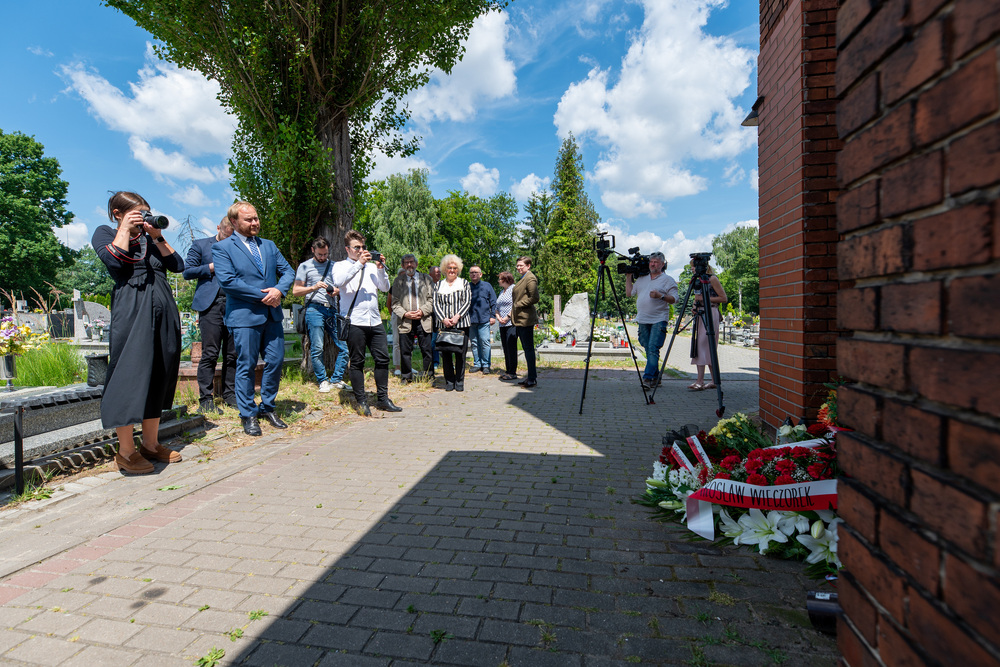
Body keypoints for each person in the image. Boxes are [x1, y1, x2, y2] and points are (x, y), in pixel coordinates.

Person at [93, 191, 185, 474]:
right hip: (132, 308)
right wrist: (124, 229)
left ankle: (151, 444)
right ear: (118, 213)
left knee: (160, 370)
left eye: (147, 212)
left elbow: (178, 265)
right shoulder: (106, 232)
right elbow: (114, 263)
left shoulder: (150, 239)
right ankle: (125, 451)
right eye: (138, 213)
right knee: (129, 373)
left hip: (163, 306)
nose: (144, 217)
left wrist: (157, 236)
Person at [212, 201, 295, 436]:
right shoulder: (222, 248)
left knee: (275, 361)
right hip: (244, 316)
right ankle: (248, 413)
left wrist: (278, 290)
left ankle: (267, 406)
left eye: (256, 218)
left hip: (272, 315)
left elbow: (288, 271)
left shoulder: (268, 246)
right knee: (246, 365)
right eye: (248, 219)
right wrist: (265, 295)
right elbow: (228, 282)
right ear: (234, 222)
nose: (255, 222)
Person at [332, 230, 402, 415]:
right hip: (355, 321)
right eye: (357, 247)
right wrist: (359, 264)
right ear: (347, 249)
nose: (361, 251)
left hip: (375, 320)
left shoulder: (371, 267)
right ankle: (361, 401)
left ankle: (383, 399)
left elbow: (385, 287)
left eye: (363, 247)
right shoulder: (340, 266)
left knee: (383, 359)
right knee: (357, 361)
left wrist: (380, 269)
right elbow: (339, 281)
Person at [184, 216, 238, 414]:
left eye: (232, 237)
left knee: (232, 354)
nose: (228, 240)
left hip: (234, 304)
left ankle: (230, 395)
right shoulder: (201, 245)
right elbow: (187, 271)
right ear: (218, 228)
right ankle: (206, 400)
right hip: (210, 305)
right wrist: (211, 267)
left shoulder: (238, 247)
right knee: (210, 353)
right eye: (225, 235)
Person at [292, 237, 350, 393]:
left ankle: (336, 379)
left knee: (344, 347)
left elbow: (343, 288)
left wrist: (337, 291)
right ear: (313, 250)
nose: (323, 257)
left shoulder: (334, 266)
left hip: (332, 309)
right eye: (320, 254)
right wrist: (314, 287)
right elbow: (296, 291)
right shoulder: (305, 266)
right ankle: (322, 380)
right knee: (317, 347)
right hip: (314, 309)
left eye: (325, 254)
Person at [625, 251, 679, 388]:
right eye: (651, 262)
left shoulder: (668, 280)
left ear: (662, 264)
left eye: (656, 262)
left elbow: (675, 299)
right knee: (647, 346)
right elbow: (629, 293)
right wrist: (628, 277)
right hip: (643, 319)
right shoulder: (642, 278)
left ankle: (647, 379)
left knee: (653, 348)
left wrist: (661, 296)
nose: (653, 264)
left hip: (659, 319)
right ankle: (656, 377)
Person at [390, 254, 434, 382]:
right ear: (403, 265)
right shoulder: (398, 281)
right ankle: (406, 377)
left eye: (411, 262)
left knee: (427, 350)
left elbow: (432, 299)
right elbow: (395, 303)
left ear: (416, 264)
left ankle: (429, 376)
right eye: (406, 262)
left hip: (423, 319)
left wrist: (422, 311)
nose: (409, 265)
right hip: (406, 320)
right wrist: (405, 314)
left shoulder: (426, 279)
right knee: (405, 351)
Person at [433, 255, 471, 392]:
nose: (452, 270)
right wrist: (443, 318)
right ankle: (449, 381)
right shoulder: (438, 285)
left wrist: (457, 317)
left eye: (455, 268)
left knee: (460, 354)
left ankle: (459, 382)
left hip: (461, 324)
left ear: (458, 269)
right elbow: (435, 304)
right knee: (446, 354)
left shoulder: (464, 283)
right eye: (449, 268)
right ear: (445, 269)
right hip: (444, 325)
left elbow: (467, 301)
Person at [689, 261, 728, 390]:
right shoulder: (697, 281)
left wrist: (703, 299)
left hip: (710, 312)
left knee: (704, 344)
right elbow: (697, 297)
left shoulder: (712, 279)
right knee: (702, 346)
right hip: (701, 312)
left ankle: (700, 381)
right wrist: (695, 306)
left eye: (694, 266)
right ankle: (713, 380)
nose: (692, 269)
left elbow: (723, 298)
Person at [511, 256, 540, 388]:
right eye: (517, 265)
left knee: (528, 349)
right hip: (520, 318)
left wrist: (518, 304)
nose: (518, 268)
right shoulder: (523, 278)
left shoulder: (530, 278)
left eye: (521, 265)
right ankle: (530, 376)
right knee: (526, 348)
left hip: (525, 319)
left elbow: (535, 297)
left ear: (528, 266)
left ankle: (532, 378)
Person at [467, 265, 497, 375]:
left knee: (485, 342)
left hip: (484, 319)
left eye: (476, 272)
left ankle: (486, 365)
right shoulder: (467, 286)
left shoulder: (487, 286)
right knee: (474, 343)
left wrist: (493, 316)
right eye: (471, 272)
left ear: (480, 274)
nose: (473, 274)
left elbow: (493, 302)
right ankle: (477, 364)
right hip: (471, 320)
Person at [494, 271, 518, 381]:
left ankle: (513, 372)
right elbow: (497, 307)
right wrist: (498, 317)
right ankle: (508, 370)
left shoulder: (513, 289)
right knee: (506, 348)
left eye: (500, 279)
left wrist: (507, 317)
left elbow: (515, 305)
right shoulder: (501, 292)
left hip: (511, 323)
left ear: (505, 280)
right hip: (502, 324)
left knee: (511, 347)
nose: (498, 281)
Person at [428, 265, 442, 372]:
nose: (438, 274)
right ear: (430, 274)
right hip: (431, 317)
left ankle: (446, 362)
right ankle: (434, 362)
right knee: (433, 341)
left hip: (443, 317)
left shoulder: (443, 285)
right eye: (436, 272)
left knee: (444, 340)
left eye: (439, 272)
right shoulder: (427, 286)